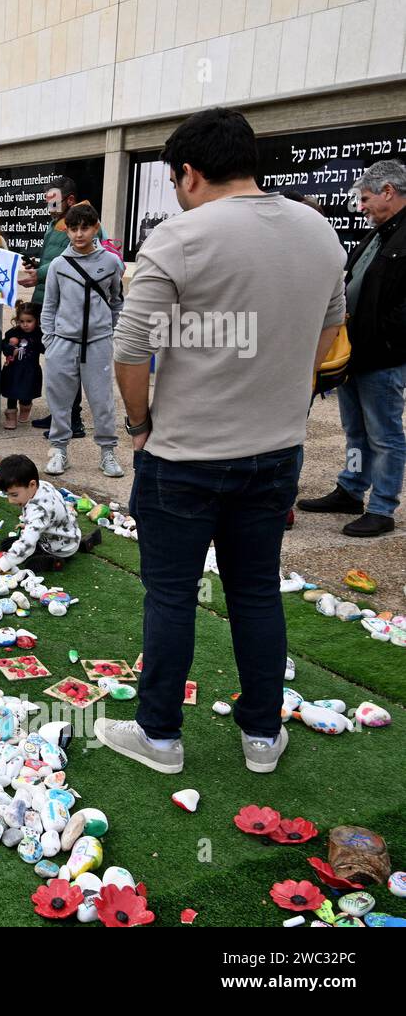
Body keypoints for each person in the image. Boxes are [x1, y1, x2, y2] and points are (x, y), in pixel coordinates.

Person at [105, 106, 346, 776]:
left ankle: (160, 735)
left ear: (188, 173)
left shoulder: (179, 237)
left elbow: (130, 348)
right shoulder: (320, 232)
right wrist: (283, 387)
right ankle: (263, 735)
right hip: (274, 451)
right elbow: (328, 339)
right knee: (255, 593)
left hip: (184, 456)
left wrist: (139, 425)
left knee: (174, 596)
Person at [297, 159, 406, 538]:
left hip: (383, 358)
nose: (361, 207)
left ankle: (382, 506)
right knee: (356, 431)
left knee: (385, 434)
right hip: (353, 355)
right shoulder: (380, 233)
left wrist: (385, 339)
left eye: (366, 199)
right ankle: (351, 488)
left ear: (388, 192)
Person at [40, 203, 125, 478]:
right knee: (59, 400)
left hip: (98, 342)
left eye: (85, 228)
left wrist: (108, 330)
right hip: (62, 342)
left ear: (96, 228)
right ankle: (59, 451)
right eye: (73, 229)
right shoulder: (58, 265)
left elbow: (116, 301)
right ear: (67, 231)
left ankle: (107, 453)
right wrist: (50, 340)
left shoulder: (112, 262)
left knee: (102, 401)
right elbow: (49, 305)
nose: (79, 234)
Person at [20, 178, 105, 437]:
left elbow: (75, 260)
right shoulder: (58, 222)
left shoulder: (86, 225)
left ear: (69, 200)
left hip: (68, 305)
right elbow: (56, 257)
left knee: (69, 362)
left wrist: (40, 274)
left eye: (53, 201)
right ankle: (62, 413)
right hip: (51, 300)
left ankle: (72, 420)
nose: (49, 206)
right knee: (57, 362)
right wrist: (37, 265)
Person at [0, 454, 98, 574]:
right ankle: (82, 544)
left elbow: (27, 542)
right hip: (69, 535)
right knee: (8, 543)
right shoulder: (42, 485)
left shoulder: (39, 510)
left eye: (14, 495)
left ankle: (55, 561)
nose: (10, 501)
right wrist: (29, 525)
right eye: (7, 494)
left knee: (26, 558)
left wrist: (3, 564)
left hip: (58, 548)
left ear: (32, 485)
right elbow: (52, 515)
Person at [1, 301, 44, 429]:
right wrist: (10, 348)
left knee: (27, 392)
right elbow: (3, 346)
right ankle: (11, 416)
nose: (25, 325)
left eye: (29, 321)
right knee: (11, 393)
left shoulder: (39, 334)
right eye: (22, 321)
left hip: (30, 370)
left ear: (36, 320)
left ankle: (25, 408)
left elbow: (44, 349)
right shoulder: (13, 332)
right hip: (13, 370)